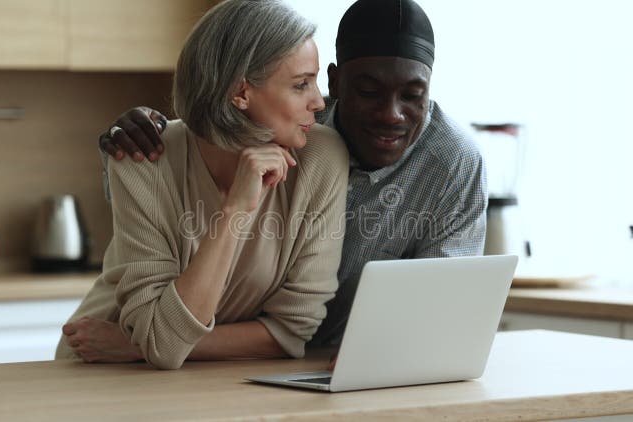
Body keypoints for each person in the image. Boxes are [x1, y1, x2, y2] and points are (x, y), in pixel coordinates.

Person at [71, 0, 486, 358]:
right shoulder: (297, 125)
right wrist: (132, 140)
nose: (391, 114)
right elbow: (166, 169)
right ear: (338, 81)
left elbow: (436, 315)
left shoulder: (326, 146)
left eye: (413, 95)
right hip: (116, 363)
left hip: (271, 367)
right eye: (368, 91)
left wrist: (146, 346)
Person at [56, 0, 349, 369]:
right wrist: (235, 210)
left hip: (191, 369)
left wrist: (138, 344)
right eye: (301, 84)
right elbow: (162, 345)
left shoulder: (321, 158)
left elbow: (290, 332)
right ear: (240, 93)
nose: (318, 102)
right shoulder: (145, 160)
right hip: (106, 369)